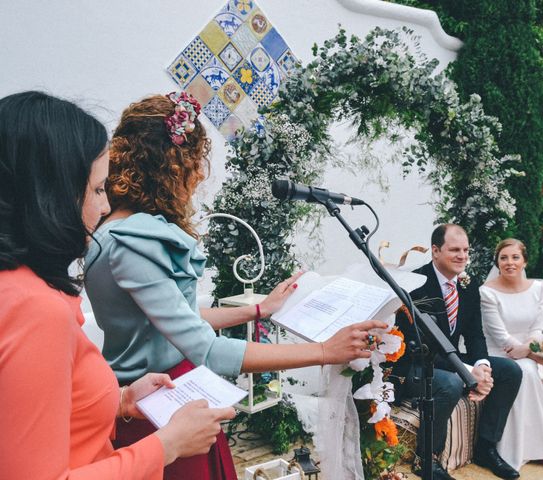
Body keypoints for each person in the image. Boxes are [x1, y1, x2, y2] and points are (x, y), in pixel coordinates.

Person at [83, 92, 386, 480]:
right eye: (195, 164)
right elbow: (206, 348)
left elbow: (178, 317)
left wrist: (258, 310)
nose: (198, 177)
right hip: (155, 404)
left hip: (171, 390)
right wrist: (326, 350)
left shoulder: (121, 231)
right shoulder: (132, 243)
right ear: (175, 166)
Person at [0, 91, 236, 479]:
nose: (106, 207)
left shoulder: (22, 286)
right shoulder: (34, 309)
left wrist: (121, 400)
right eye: (96, 190)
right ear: (49, 196)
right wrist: (166, 445)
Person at [393, 224, 522, 480]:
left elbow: (474, 334)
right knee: (451, 383)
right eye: (454, 250)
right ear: (435, 251)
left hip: (448, 359)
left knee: (510, 370)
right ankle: (426, 460)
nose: (462, 256)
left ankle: (486, 448)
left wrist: (482, 366)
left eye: (465, 250)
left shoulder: (468, 284)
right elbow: (416, 348)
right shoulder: (415, 285)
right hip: (414, 365)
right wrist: (466, 373)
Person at [480, 238, 543, 472]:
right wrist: (521, 353)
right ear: (497, 262)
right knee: (524, 370)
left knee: (528, 367)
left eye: (515, 257)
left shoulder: (541, 288)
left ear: (525, 260)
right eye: (503, 258)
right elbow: (499, 335)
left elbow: (538, 328)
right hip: (499, 352)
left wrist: (528, 350)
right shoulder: (487, 292)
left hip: (528, 349)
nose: (509, 263)